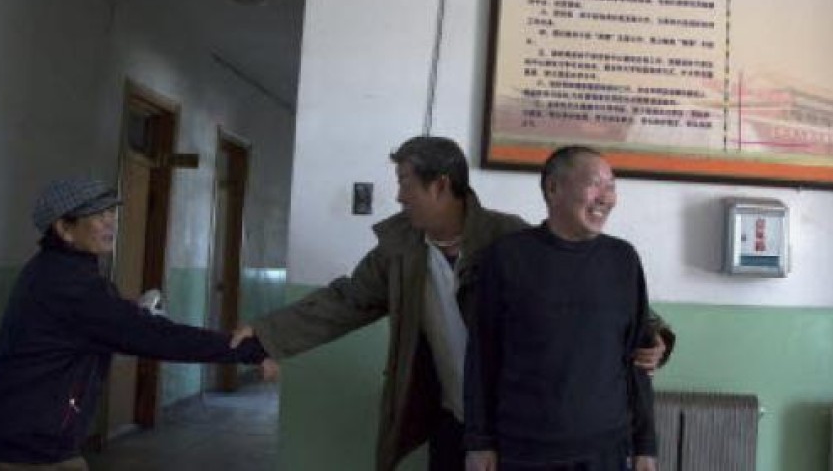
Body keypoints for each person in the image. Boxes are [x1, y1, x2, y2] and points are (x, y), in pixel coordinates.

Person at [232, 136, 674, 471]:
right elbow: (347, 299)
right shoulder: (401, 248)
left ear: (440, 185)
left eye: (405, 182)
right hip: (450, 414)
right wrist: (268, 333)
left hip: (512, 424)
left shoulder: (507, 239)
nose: (400, 196)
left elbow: (597, 296)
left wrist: (655, 338)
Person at [0, 177, 269, 471]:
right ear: (64, 229)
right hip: (31, 440)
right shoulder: (70, 284)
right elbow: (158, 337)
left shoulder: (58, 270)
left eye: (111, 212)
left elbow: (102, 322)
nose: (110, 221)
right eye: (98, 215)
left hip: (35, 432)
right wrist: (251, 349)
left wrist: (130, 314)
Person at [464, 146, 659, 471]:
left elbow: (637, 360)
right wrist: (479, 441)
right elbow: (482, 357)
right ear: (554, 188)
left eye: (611, 186)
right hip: (523, 449)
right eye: (595, 184)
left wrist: (645, 446)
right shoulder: (508, 257)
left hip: (606, 449)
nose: (606, 197)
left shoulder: (623, 259)